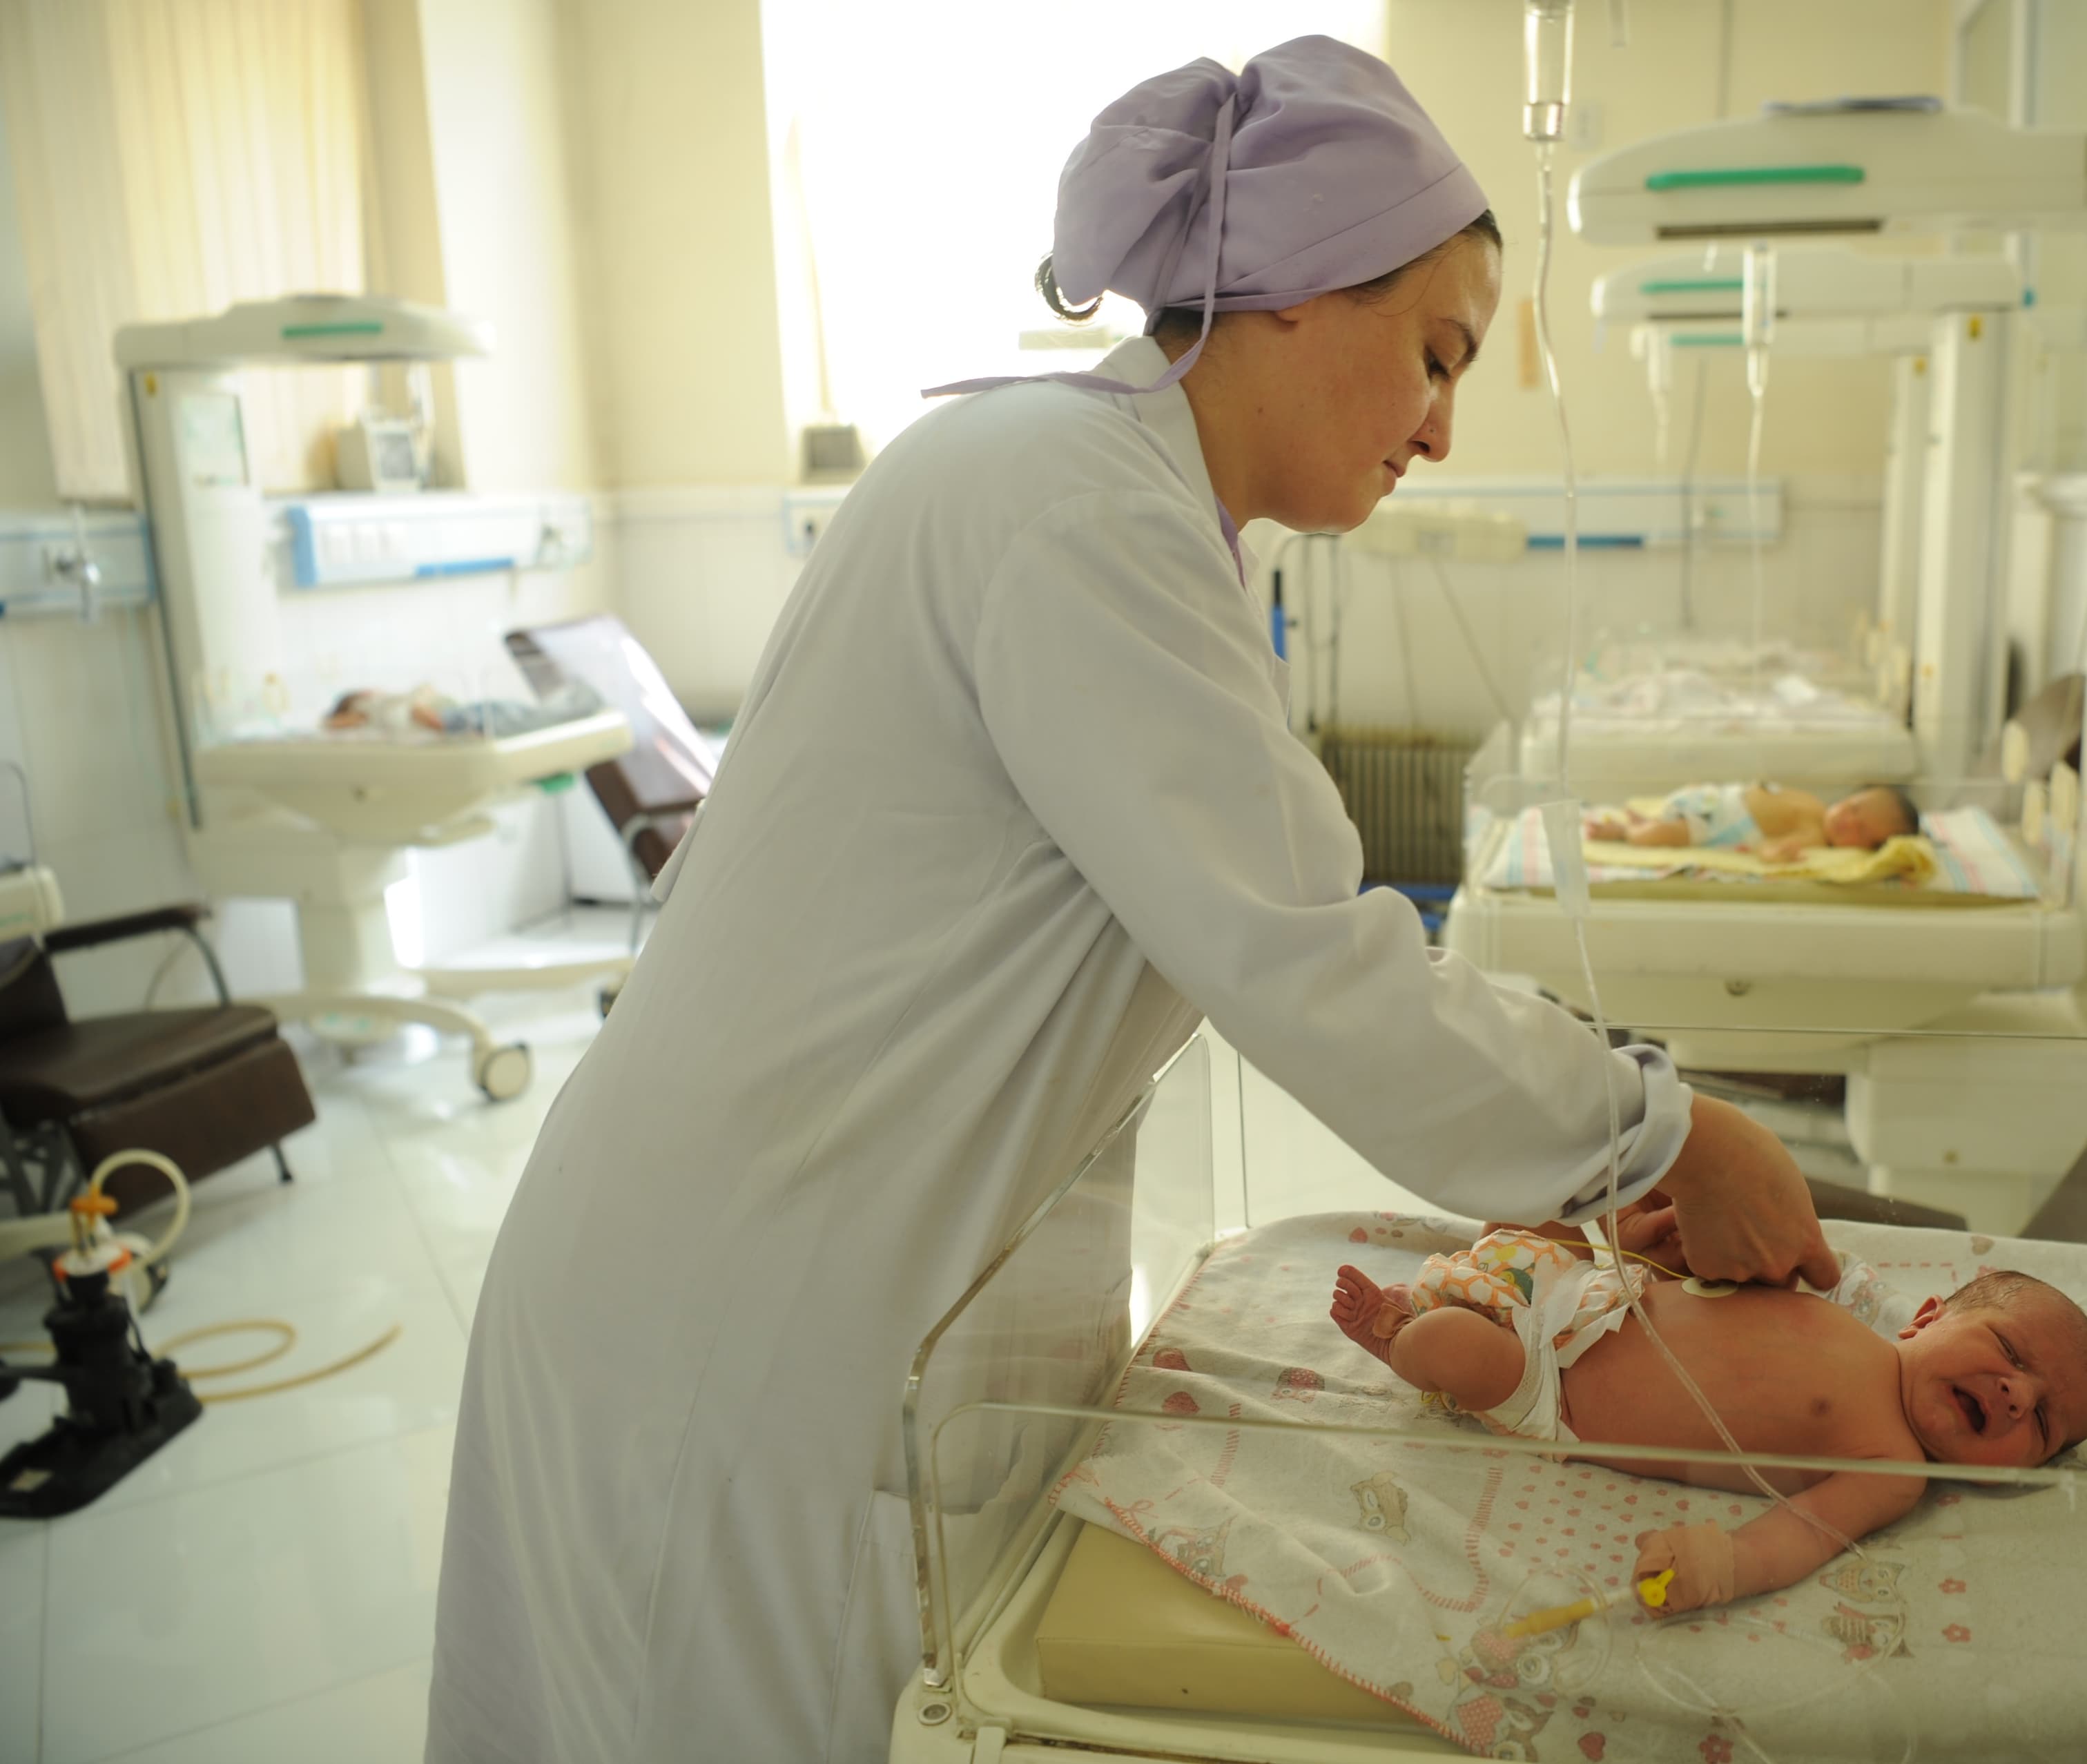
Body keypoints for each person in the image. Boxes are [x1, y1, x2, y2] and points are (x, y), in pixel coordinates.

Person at [427, 36, 1841, 1764]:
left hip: (799, 1276)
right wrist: (1661, 1136)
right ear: (1298, 293)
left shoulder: (1104, 505)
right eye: (1434, 355)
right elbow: (1318, 968)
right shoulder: (1068, 511)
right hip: (736, 1334)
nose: (1444, 430)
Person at [1330, 1239, 2087, 1607]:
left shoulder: (1893, 1465)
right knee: (1512, 1237)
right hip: (1587, 1290)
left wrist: (1721, 1563)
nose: (2015, 1393)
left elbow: (1802, 1531)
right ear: (1928, 1316)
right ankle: (1428, 1296)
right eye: (2010, 1351)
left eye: (2042, 1421)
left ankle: (1393, 1333)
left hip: (1551, 1389)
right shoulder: (1850, 1315)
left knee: (1452, 1349)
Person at [1587, 780, 1920, 860]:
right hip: (1720, 798)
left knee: (1662, 834)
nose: (1847, 820)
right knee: (1669, 813)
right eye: (1852, 807)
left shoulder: (1815, 835)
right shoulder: (1817, 806)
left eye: (1860, 830)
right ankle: (1646, 819)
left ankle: (1625, 831)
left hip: (1720, 824)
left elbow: (1770, 850)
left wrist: (1778, 854)